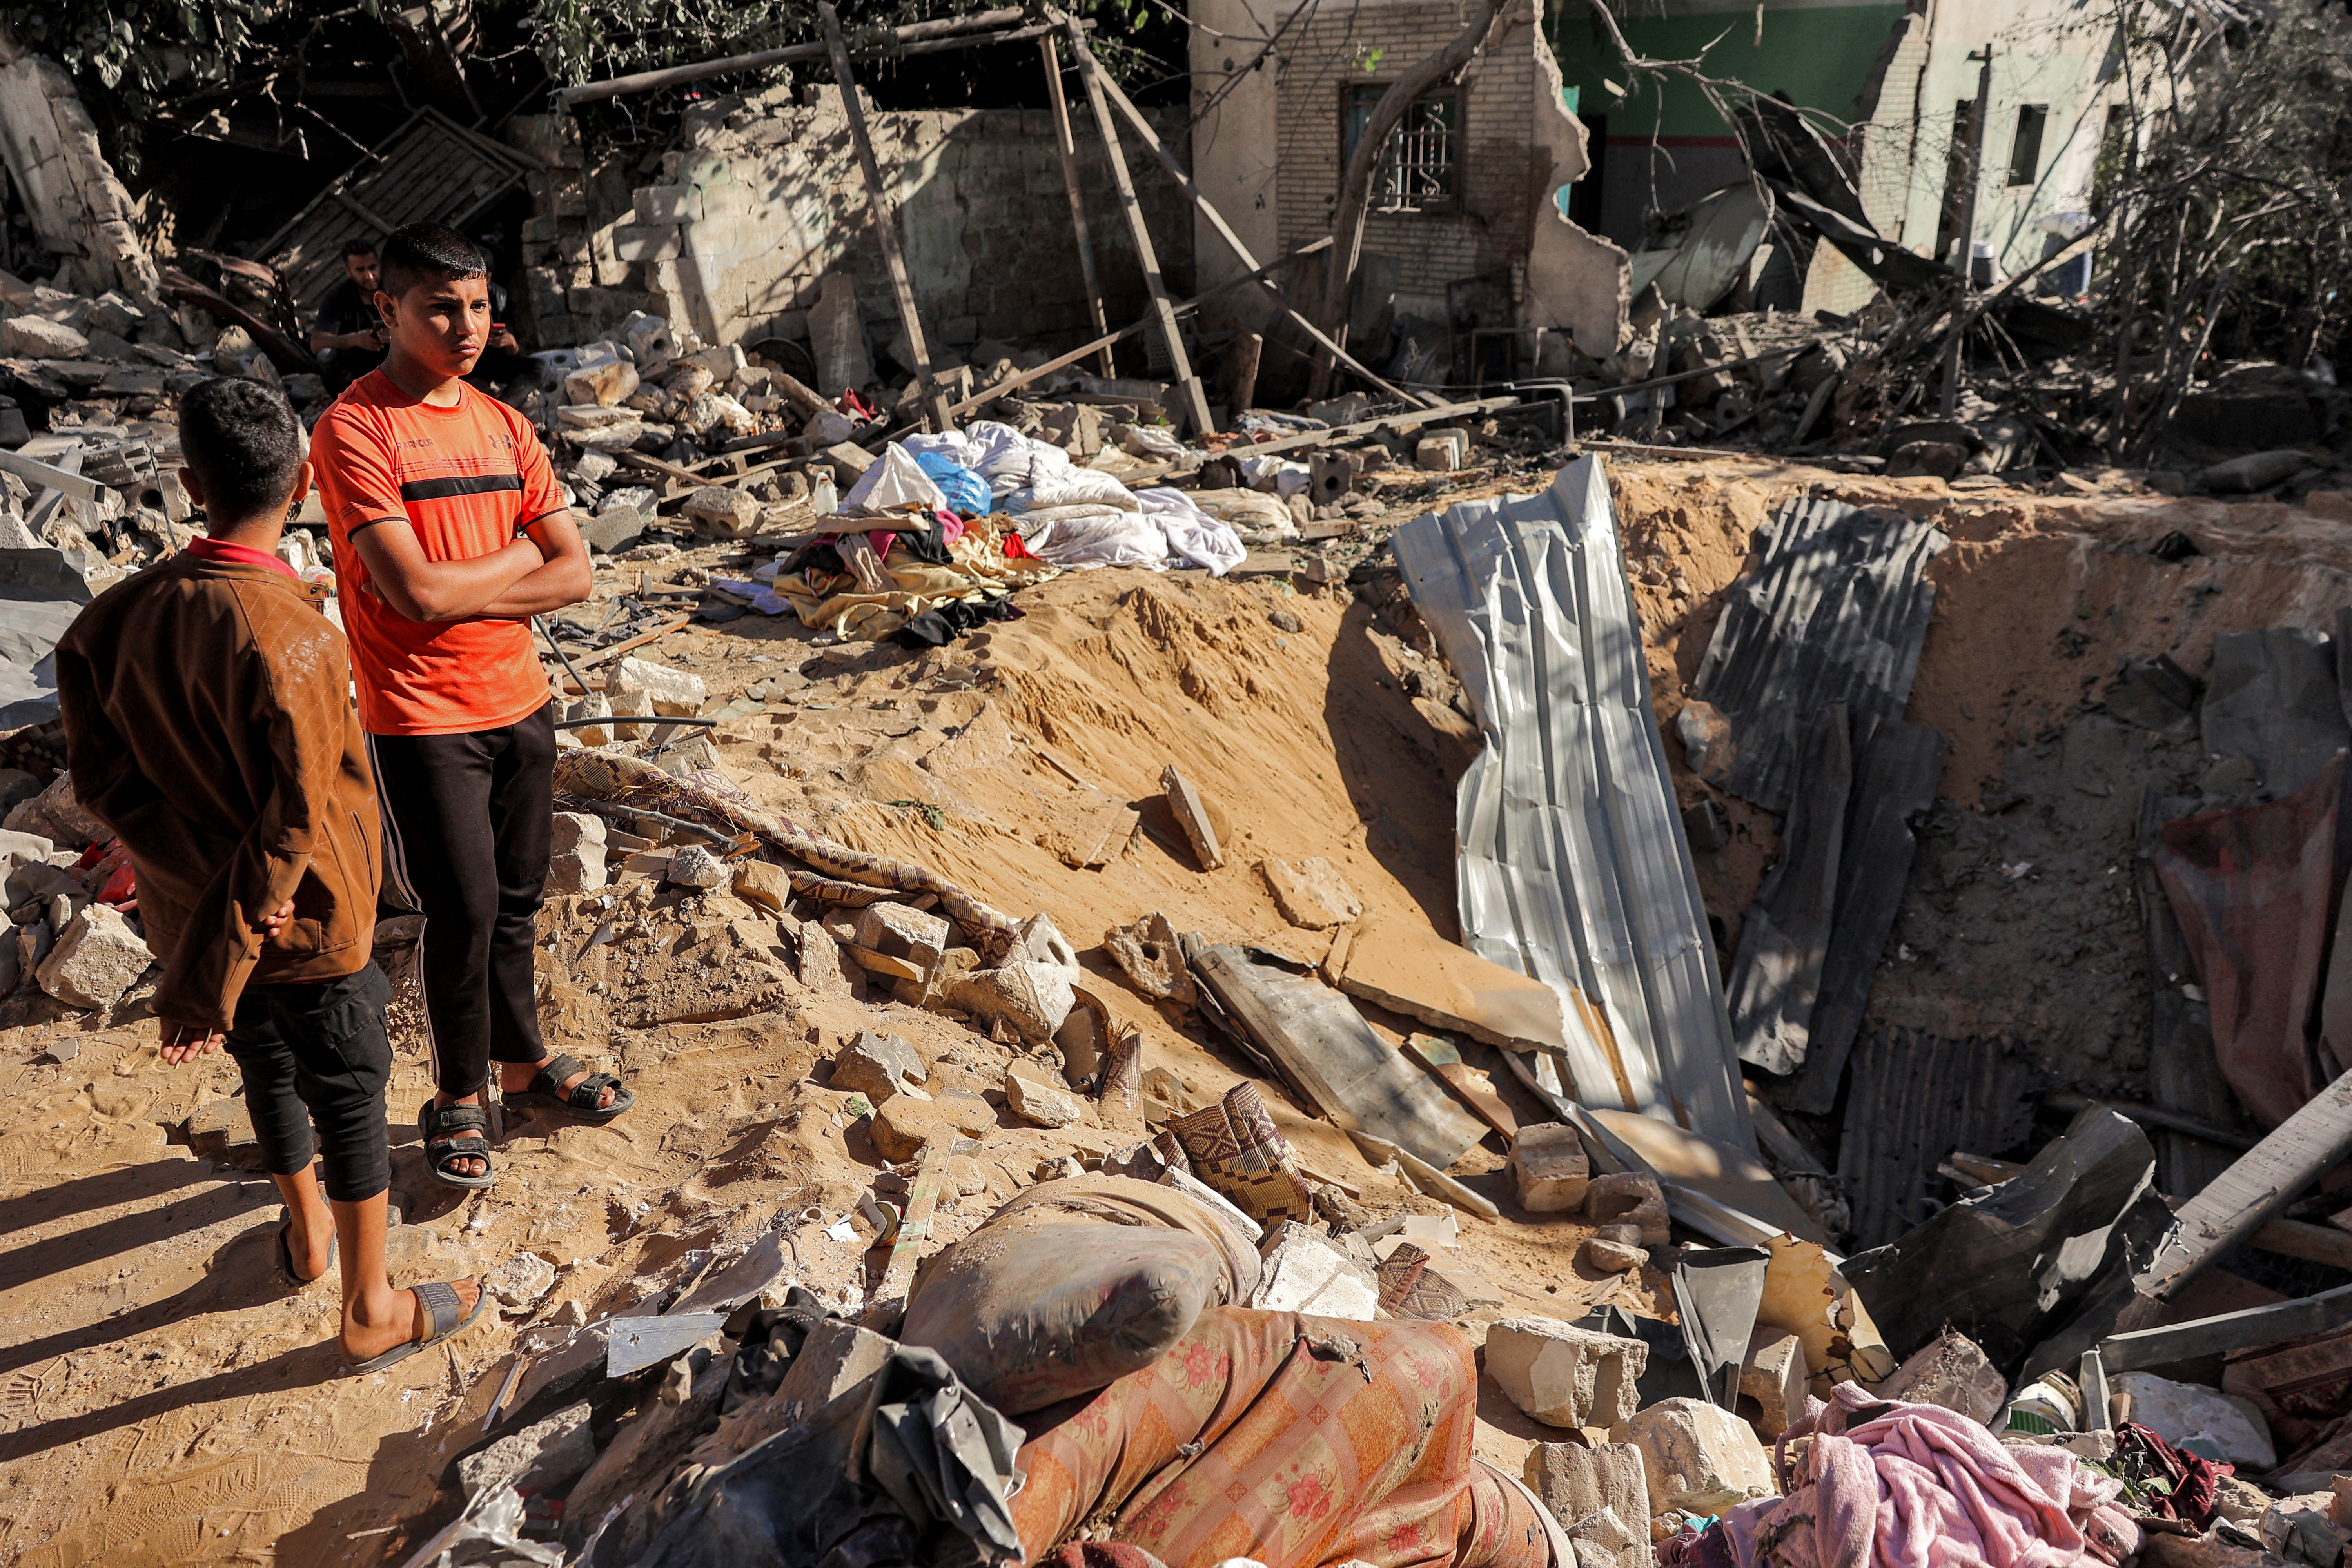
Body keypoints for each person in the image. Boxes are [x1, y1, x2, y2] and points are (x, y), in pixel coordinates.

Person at [53, 378, 488, 1373]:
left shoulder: (111, 620)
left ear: (186, 483)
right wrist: (246, 917)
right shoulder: (292, 637)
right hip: (303, 916)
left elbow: (104, 783)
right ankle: (371, 1305)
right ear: (302, 480)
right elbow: (293, 820)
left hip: (196, 911)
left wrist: (205, 908)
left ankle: (304, 1238)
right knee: (348, 1088)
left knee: (264, 1064)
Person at [311, 221, 629, 1193]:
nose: (467, 325)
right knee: (464, 907)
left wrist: (477, 578)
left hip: (519, 697)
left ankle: (524, 1062)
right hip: (420, 713)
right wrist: (520, 561)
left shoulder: (504, 424)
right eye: (440, 307)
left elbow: (576, 572)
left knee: (521, 900)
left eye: (480, 305)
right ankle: (457, 1093)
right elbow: (414, 596)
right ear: (388, 311)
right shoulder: (356, 428)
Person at [310, 239, 388, 396]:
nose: (370, 276)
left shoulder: (394, 287)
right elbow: (317, 344)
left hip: (396, 361)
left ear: (380, 264)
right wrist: (355, 340)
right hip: (355, 369)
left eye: (373, 268)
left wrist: (399, 336)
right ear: (348, 271)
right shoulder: (337, 297)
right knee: (326, 356)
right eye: (361, 270)